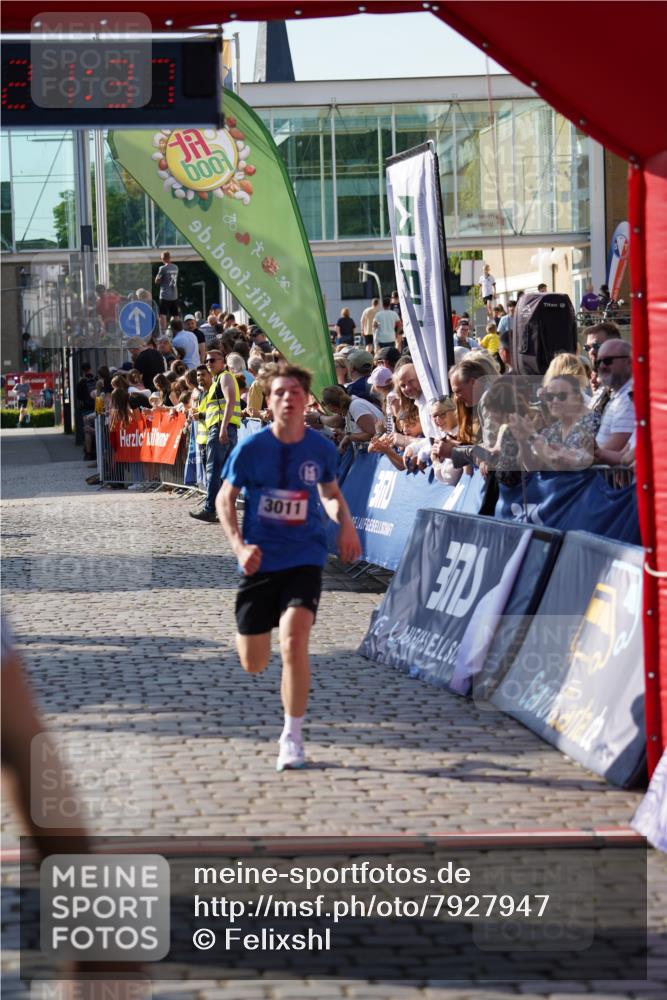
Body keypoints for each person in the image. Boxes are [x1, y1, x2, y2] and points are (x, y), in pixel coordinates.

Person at [216, 362, 361, 772]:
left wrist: (345, 523)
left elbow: (330, 492)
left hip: (304, 555)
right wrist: (239, 547)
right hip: (260, 559)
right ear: (269, 398)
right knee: (254, 662)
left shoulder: (320, 448)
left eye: (294, 392)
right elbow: (225, 500)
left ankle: (292, 736)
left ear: (305, 399)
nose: (287, 399)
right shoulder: (252, 448)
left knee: (295, 641)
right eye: (279, 393)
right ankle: (252, 635)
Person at [190, 348, 241, 523]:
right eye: (207, 361)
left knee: (214, 470)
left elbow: (230, 400)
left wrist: (223, 428)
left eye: (213, 360)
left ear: (223, 362)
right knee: (223, 473)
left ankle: (210, 509)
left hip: (221, 428)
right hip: (222, 428)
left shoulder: (225, 376)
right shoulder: (217, 380)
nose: (209, 363)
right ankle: (224, 509)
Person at [511, 374, 600, 471]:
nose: (555, 401)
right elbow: (534, 466)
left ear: (577, 397)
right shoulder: (554, 428)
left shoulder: (592, 421)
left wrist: (533, 437)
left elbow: (561, 463)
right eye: (549, 397)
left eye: (562, 396)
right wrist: (523, 442)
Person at [594, 339, 634, 463]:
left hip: (605, 478)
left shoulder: (630, 397)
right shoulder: (619, 393)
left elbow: (617, 447)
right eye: (598, 361)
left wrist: (581, 458)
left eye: (607, 361)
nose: (601, 366)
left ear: (629, 362)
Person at [320, 384, 380, 451]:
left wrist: (350, 437)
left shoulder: (355, 407)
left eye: (323, 403)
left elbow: (374, 433)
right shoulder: (348, 409)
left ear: (330, 406)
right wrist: (346, 438)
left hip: (376, 451)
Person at [155, 250, 179, 331]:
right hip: (174, 295)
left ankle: (163, 332)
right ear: (170, 257)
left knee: (162, 314)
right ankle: (178, 330)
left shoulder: (162, 268)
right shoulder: (176, 267)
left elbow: (157, 281)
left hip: (165, 295)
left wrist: (159, 279)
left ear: (163, 258)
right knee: (175, 314)